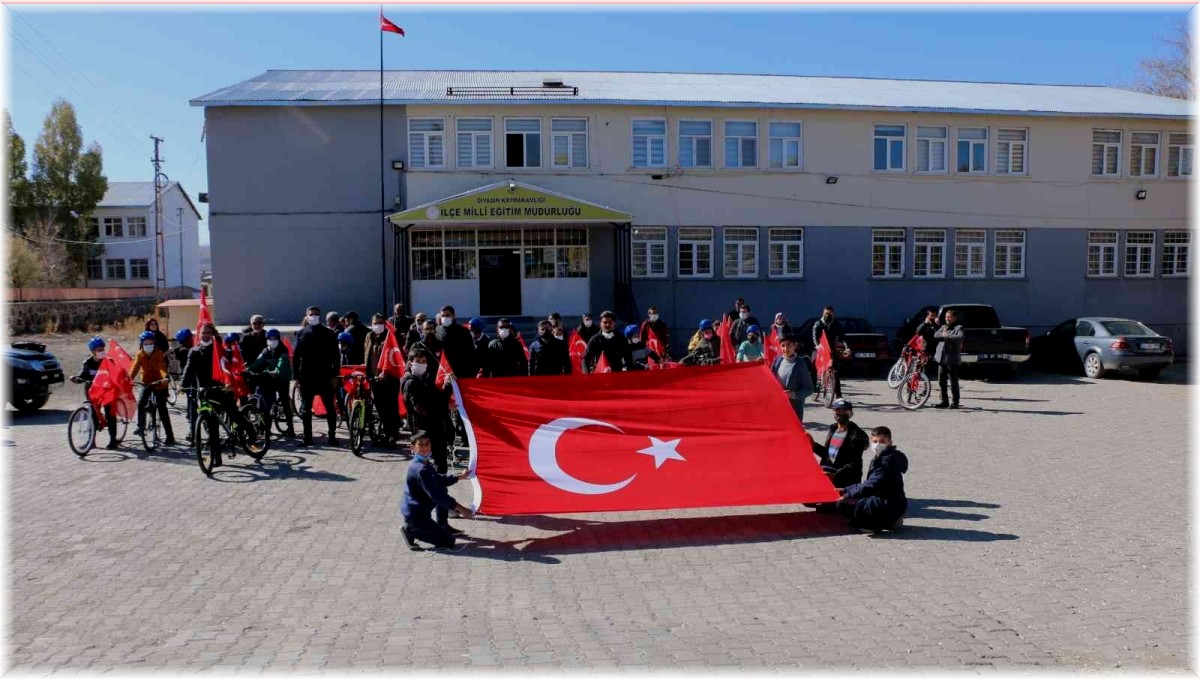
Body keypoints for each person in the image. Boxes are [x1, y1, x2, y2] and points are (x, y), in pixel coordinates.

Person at [181, 323, 258, 453]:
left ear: (213, 335)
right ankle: (216, 457)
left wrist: (229, 383)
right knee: (212, 425)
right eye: (203, 333)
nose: (205, 335)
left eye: (208, 333)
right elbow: (188, 370)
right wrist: (182, 385)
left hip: (223, 389)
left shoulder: (219, 350)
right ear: (199, 334)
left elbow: (227, 368)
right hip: (205, 391)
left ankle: (250, 429)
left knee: (233, 415)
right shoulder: (193, 352)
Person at [401, 352, 456, 519]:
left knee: (438, 475)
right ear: (410, 363)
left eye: (424, 361)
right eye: (418, 361)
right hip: (423, 434)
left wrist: (448, 386)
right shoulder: (410, 382)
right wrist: (442, 409)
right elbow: (420, 408)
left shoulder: (424, 380)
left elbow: (438, 399)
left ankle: (443, 516)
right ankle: (427, 518)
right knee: (429, 479)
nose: (421, 364)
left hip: (435, 432)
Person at [399, 430, 475, 551]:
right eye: (421, 445)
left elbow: (439, 479)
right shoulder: (420, 469)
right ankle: (410, 530)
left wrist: (460, 476)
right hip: (416, 515)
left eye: (427, 444)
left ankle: (435, 526)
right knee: (448, 541)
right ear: (412, 448)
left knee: (442, 489)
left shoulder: (424, 463)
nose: (425, 448)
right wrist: (461, 509)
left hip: (420, 512)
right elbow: (437, 496)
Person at [836, 426, 908, 533]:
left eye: (882, 441)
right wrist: (845, 490)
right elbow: (869, 483)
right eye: (875, 441)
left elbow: (871, 485)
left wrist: (846, 494)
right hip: (891, 503)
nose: (878, 444)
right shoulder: (884, 457)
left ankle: (879, 523)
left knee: (842, 504)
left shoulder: (886, 462)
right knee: (851, 503)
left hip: (886, 505)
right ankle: (889, 521)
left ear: (890, 442)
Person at [293, 305, 341, 447]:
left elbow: (336, 356)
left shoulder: (329, 333)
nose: (313, 316)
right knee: (306, 409)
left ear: (320, 316)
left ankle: (332, 436)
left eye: (316, 314)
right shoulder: (301, 333)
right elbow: (296, 357)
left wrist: (335, 375)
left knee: (330, 408)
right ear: (306, 316)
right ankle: (307, 438)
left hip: (325, 375)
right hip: (306, 376)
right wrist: (296, 376)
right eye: (311, 314)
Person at [70, 337, 119, 449]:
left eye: (102, 349)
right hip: (93, 391)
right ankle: (91, 441)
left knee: (109, 414)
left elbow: (114, 375)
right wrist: (76, 378)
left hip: (107, 390)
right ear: (92, 352)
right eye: (98, 350)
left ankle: (113, 440)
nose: (101, 351)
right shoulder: (87, 362)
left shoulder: (108, 361)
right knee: (92, 415)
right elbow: (83, 375)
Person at [245, 328, 295, 439]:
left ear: (278, 339)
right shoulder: (265, 351)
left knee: (284, 400)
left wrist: (276, 371)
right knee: (265, 402)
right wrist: (247, 369)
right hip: (269, 378)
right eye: (270, 339)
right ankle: (265, 427)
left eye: (275, 339)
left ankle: (290, 427)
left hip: (282, 378)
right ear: (267, 340)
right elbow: (258, 362)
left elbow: (281, 365)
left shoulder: (283, 350)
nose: (272, 341)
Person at [808, 399, 867, 491]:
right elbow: (829, 455)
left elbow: (854, 464)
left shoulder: (858, 436)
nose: (841, 414)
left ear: (851, 413)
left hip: (846, 479)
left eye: (844, 411)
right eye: (838, 411)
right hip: (828, 472)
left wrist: (834, 475)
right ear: (833, 413)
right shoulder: (834, 429)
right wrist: (813, 445)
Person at [129, 330, 176, 444]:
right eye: (145, 343)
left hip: (160, 384)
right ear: (142, 344)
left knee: (162, 409)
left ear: (154, 343)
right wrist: (129, 378)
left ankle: (170, 436)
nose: (148, 345)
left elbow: (161, 368)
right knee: (141, 403)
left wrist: (165, 377)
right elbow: (134, 368)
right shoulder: (140, 355)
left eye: (150, 343)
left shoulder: (159, 354)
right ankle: (141, 426)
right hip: (147, 383)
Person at [364, 313, 402, 445]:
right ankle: (384, 432)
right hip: (374, 377)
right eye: (375, 323)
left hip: (390, 377)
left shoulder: (390, 336)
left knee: (391, 406)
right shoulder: (369, 336)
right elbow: (367, 355)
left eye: (380, 323)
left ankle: (392, 435)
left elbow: (393, 356)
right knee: (380, 407)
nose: (377, 325)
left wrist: (385, 371)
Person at [772, 334, 813, 423]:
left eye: (789, 345)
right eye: (783, 345)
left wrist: (793, 394)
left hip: (794, 409)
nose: (786, 348)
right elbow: (770, 378)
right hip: (778, 406)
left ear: (795, 346)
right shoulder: (777, 360)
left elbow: (809, 389)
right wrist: (761, 364)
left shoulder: (800, 364)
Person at [812, 305, 849, 399]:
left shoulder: (836, 324)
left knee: (835, 372)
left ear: (833, 314)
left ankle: (838, 395)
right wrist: (817, 345)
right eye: (826, 313)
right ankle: (816, 388)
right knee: (814, 367)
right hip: (820, 349)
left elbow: (842, 337)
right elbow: (815, 336)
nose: (828, 316)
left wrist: (847, 347)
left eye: (830, 314)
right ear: (823, 313)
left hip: (831, 349)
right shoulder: (818, 324)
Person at [435, 305, 478, 380]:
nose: (445, 318)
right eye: (443, 315)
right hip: (443, 372)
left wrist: (470, 373)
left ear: (454, 316)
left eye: (448, 315)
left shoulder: (463, 332)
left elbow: (471, 354)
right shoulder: (437, 331)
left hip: (461, 373)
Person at [935, 309, 965, 409]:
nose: (947, 318)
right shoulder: (943, 326)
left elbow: (960, 337)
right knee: (941, 382)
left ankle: (955, 403)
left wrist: (947, 335)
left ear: (955, 318)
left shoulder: (958, 327)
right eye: (946, 317)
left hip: (951, 359)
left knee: (953, 383)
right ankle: (944, 402)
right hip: (941, 359)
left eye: (949, 317)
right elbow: (936, 335)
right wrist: (942, 335)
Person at [172, 328, 197, 437]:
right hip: (189, 381)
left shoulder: (193, 348)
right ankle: (192, 430)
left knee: (193, 404)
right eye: (190, 338)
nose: (192, 339)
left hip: (196, 380)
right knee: (191, 404)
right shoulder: (182, 351)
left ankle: (194, 424)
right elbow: (177, 353)